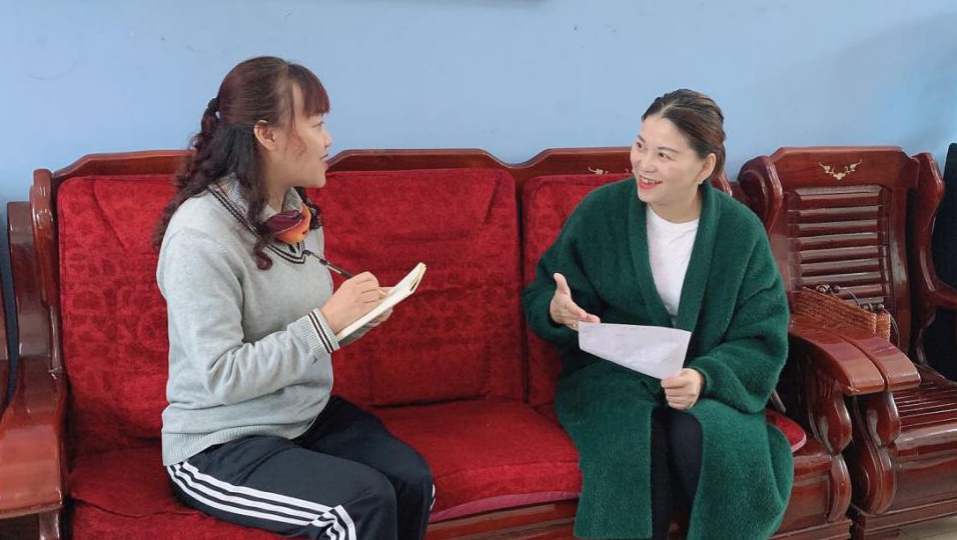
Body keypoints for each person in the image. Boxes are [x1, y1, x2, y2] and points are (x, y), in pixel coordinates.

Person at [153, 56, 433, 540]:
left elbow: (301, 330)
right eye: (317, 124)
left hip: (304, 416)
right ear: (268, 134)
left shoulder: (294, 212)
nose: (328, 140)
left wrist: (357, 317)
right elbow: (221, 377)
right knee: (359, 504)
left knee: (412, 481)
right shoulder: (199, 237)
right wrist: (326, 324)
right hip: (221, 439)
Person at [522, 89, 793, 540]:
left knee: (702, 438)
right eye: (640, 146)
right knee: (634, 449)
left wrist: (704, 377)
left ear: (704, 167)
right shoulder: (601, 212)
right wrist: (556, 309)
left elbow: (762, 335)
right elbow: (544, 293)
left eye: (664, 155)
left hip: (706, 378)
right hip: (614, 377)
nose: (643, 165)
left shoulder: (740, 232)